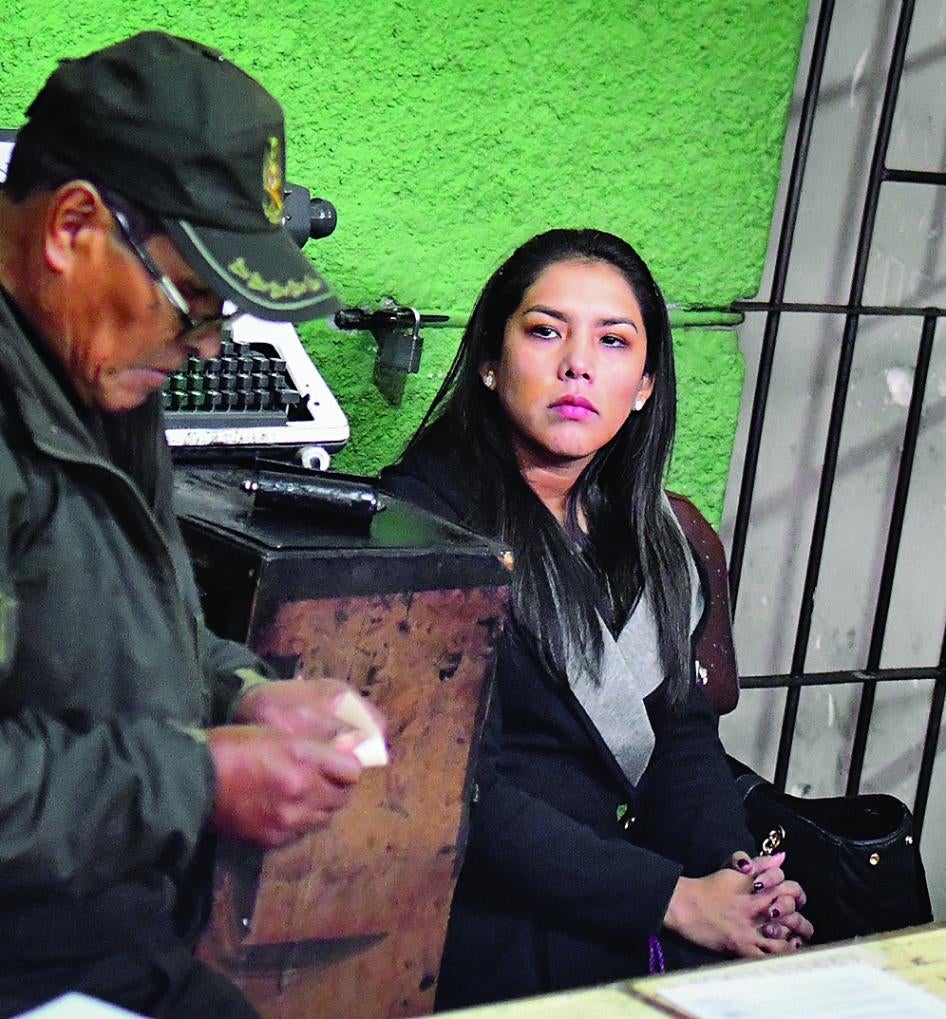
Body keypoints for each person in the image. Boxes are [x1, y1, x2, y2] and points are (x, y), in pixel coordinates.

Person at [0, 32, 384, 1018]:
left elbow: (100, 626)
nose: (208, 343)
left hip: (104, 936)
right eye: (195, 300)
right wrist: (194, 777)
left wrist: (240, 691)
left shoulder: (93, 368)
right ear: (72, 226)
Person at [381, 229, 812, 1008]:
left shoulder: (653, 536)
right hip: (476, 928)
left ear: (645, 383)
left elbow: (680, 738)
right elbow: (456, 792)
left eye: (614, 341)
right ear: (488, 359)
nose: (577, 363)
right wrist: (672, 898)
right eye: (545, 331)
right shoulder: (415, 530)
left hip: (631, 897)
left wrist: (738, 873)